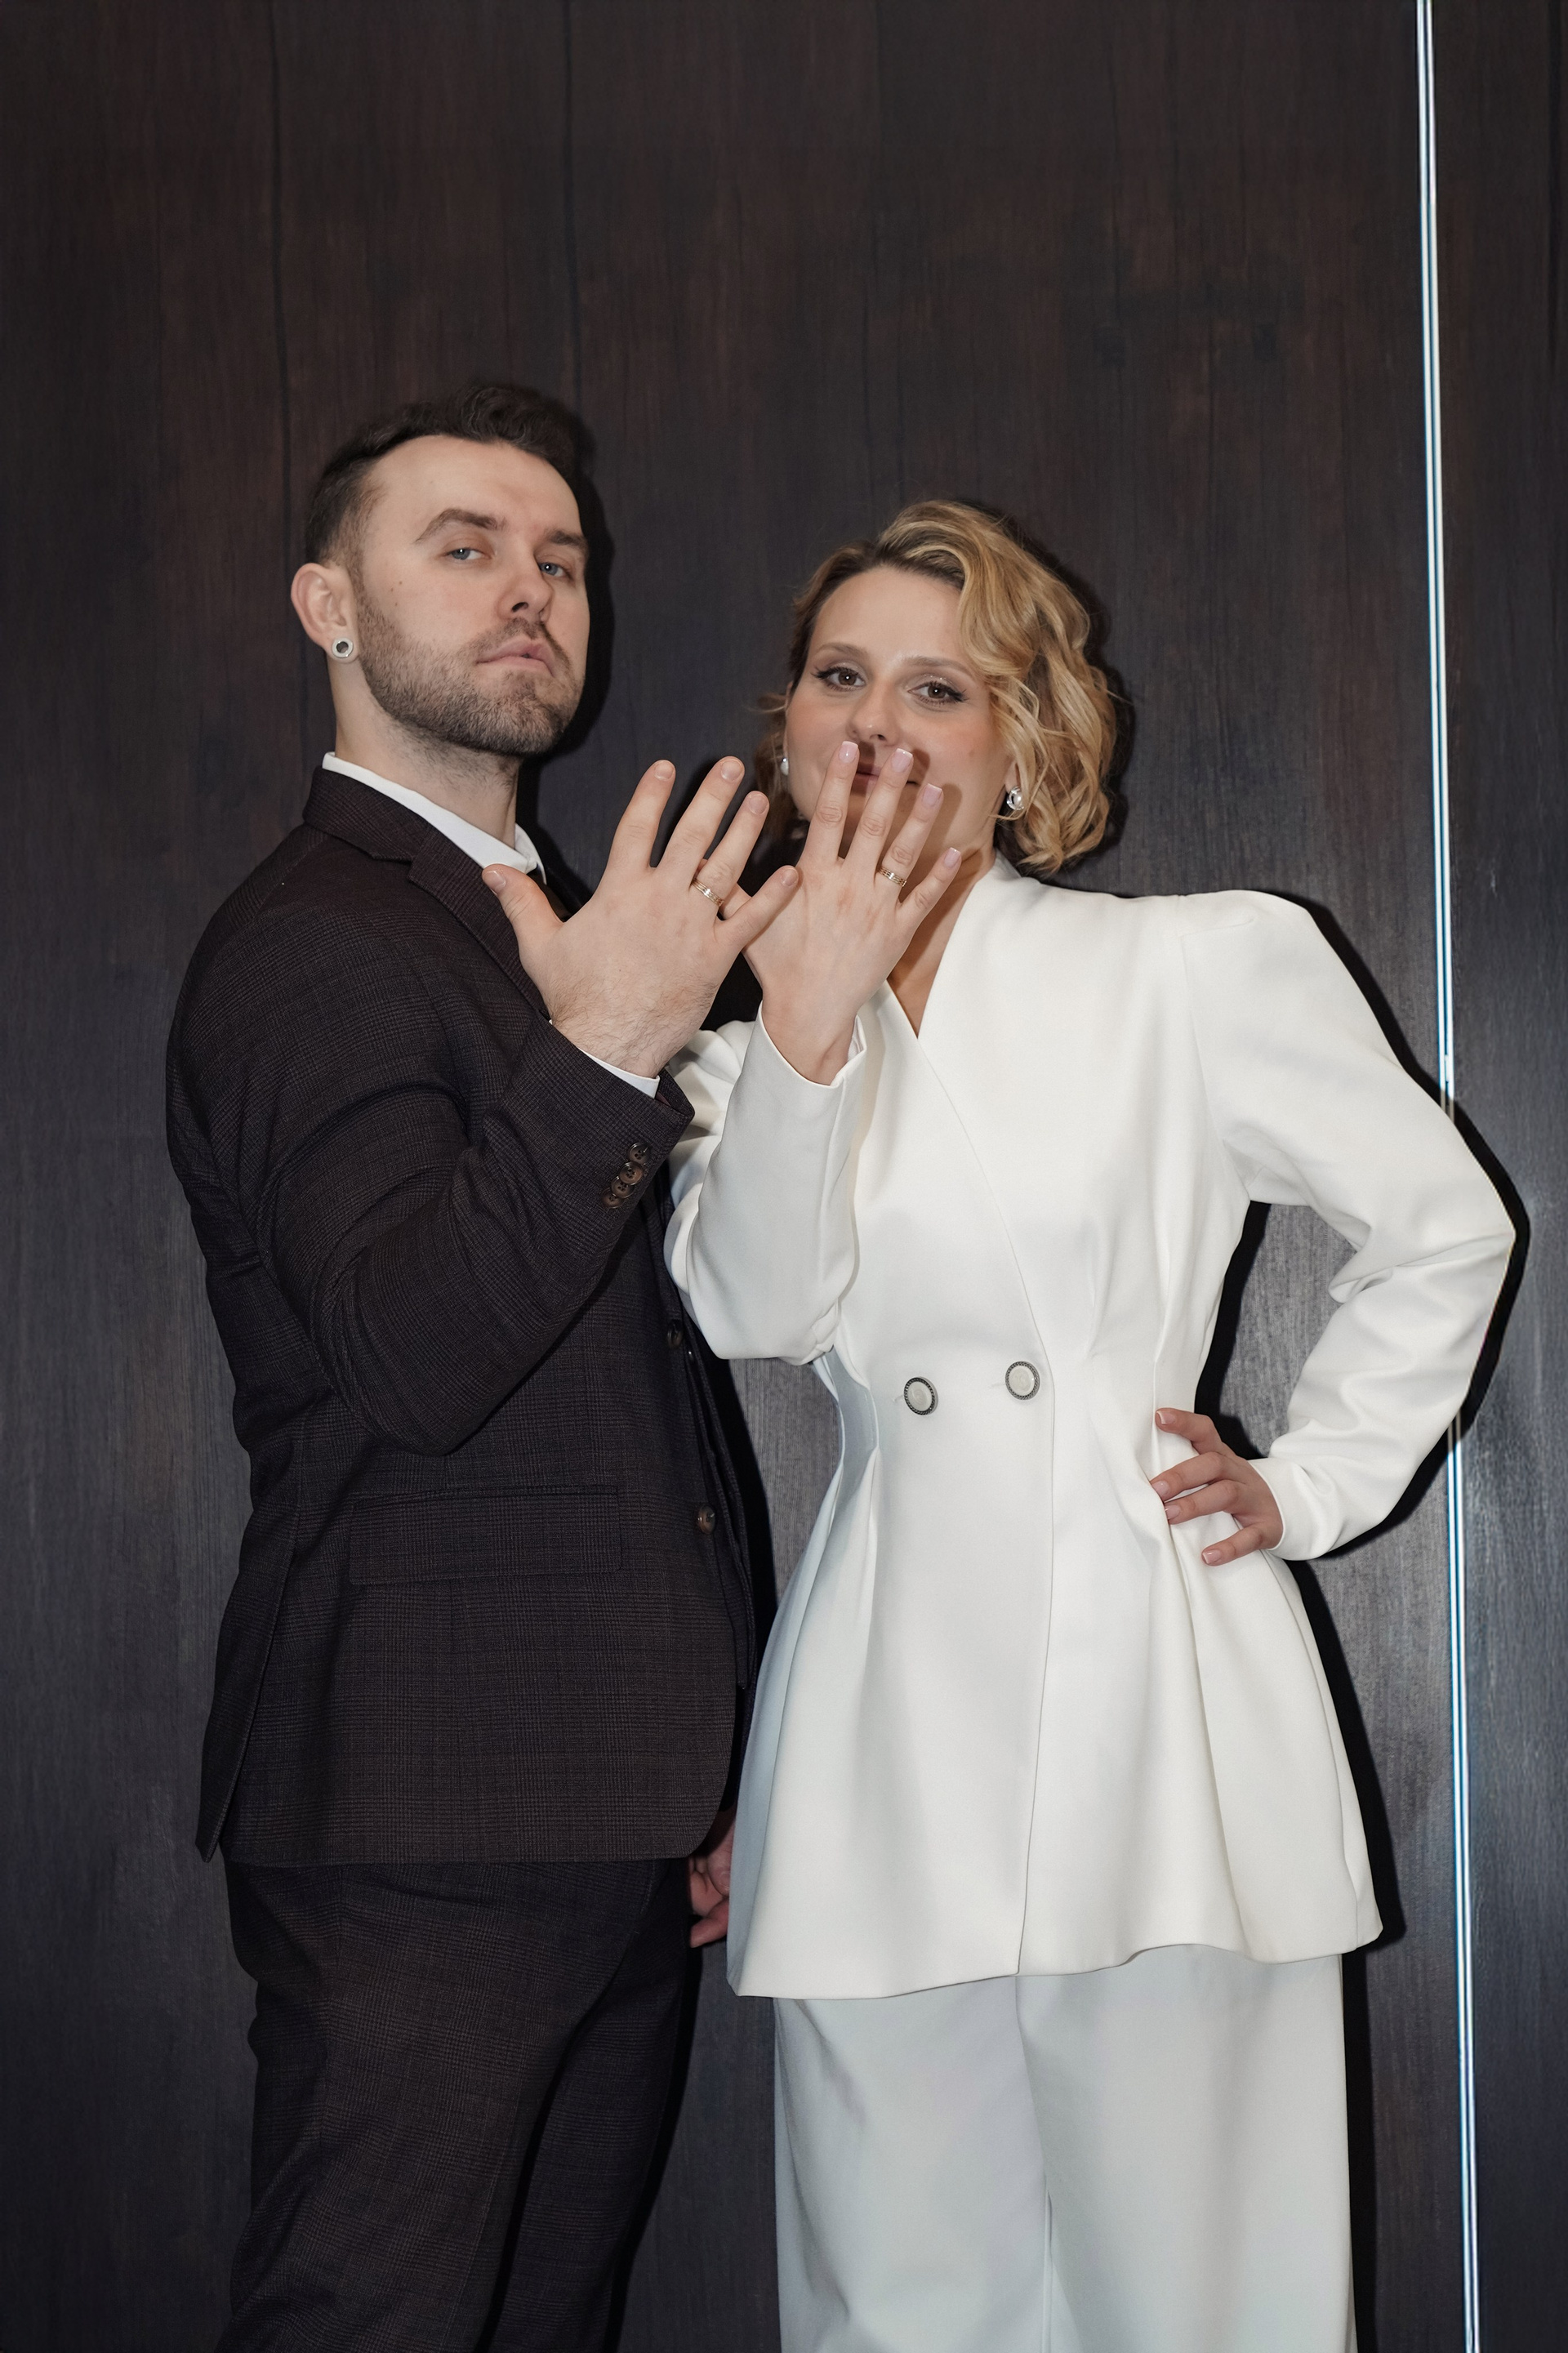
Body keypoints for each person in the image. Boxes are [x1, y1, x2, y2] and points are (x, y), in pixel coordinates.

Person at [642, 501, 1513, 2351]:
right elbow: (753, 1308)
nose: (878, 720)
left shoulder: (1191, 969)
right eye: (842, 675)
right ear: (792, 730)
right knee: (898, 2307)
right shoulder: (736, 1053)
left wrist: (1310, 1483)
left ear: (1025, 744)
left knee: (1202, 2303)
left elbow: (1446, 1225)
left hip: (1159, 1710)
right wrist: (805, 1028)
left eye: (938, 687)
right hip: (886, 1723)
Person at [166, 382, 801, 2351]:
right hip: (424, 1819)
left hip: (606, 1817)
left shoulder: (546, 929)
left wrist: (700, 1752)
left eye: (561, 560)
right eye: (463, 548)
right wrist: (610, 1049)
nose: (530, 588)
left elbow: (630, 1392)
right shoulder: (316, 940)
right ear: (328, 607)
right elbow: (415, 1353)